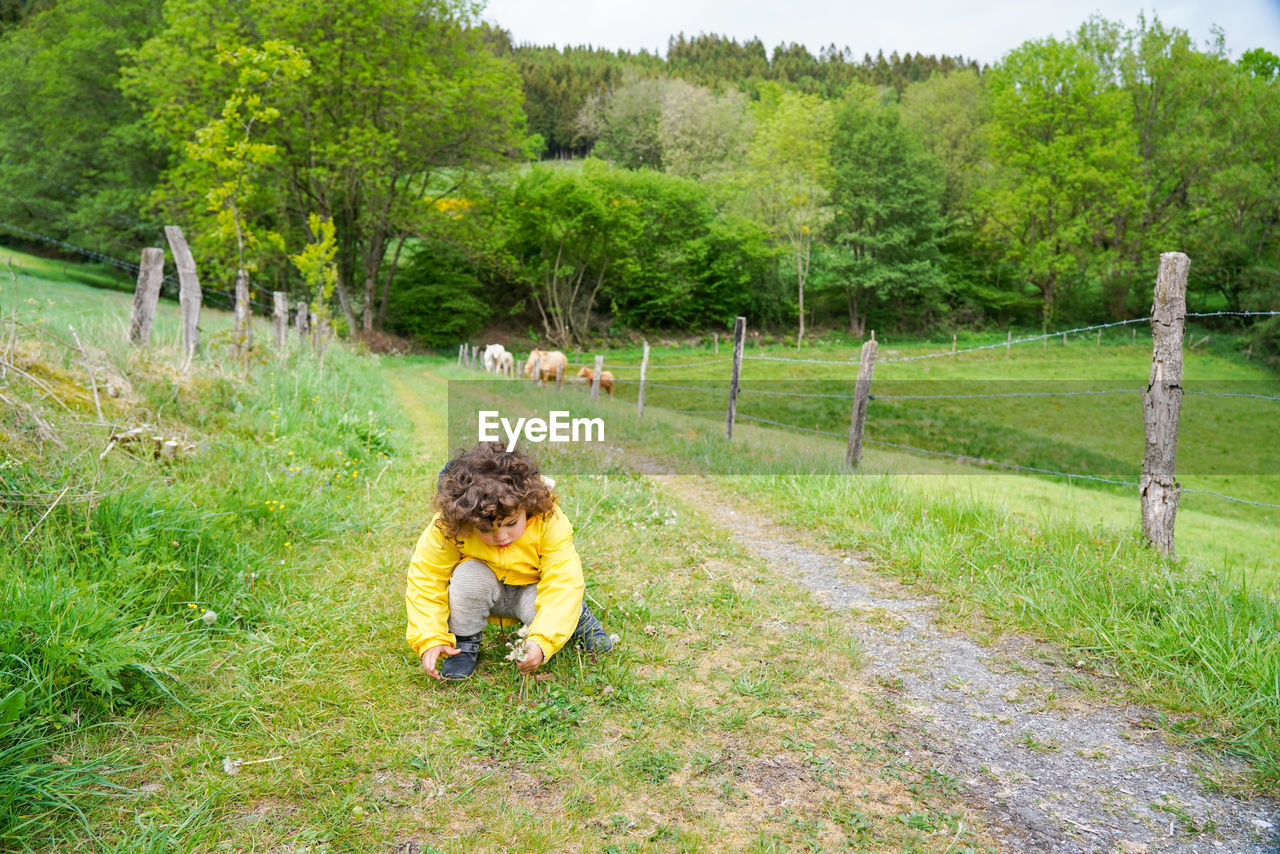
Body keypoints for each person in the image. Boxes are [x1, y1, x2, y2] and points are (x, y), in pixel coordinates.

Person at [406, 442, 613, 681]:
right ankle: (464, 643)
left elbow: (563, 582)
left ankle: (579, 618)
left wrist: (541, 641)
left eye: (512, 524)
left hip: (532, 591)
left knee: (559, 604)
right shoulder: (450, 527)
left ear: (527, 507)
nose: (501, 536)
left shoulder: (549, 521)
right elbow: (426, 578)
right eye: (487, 528)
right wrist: (430, 638)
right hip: (486, 588)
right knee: (467, 576)